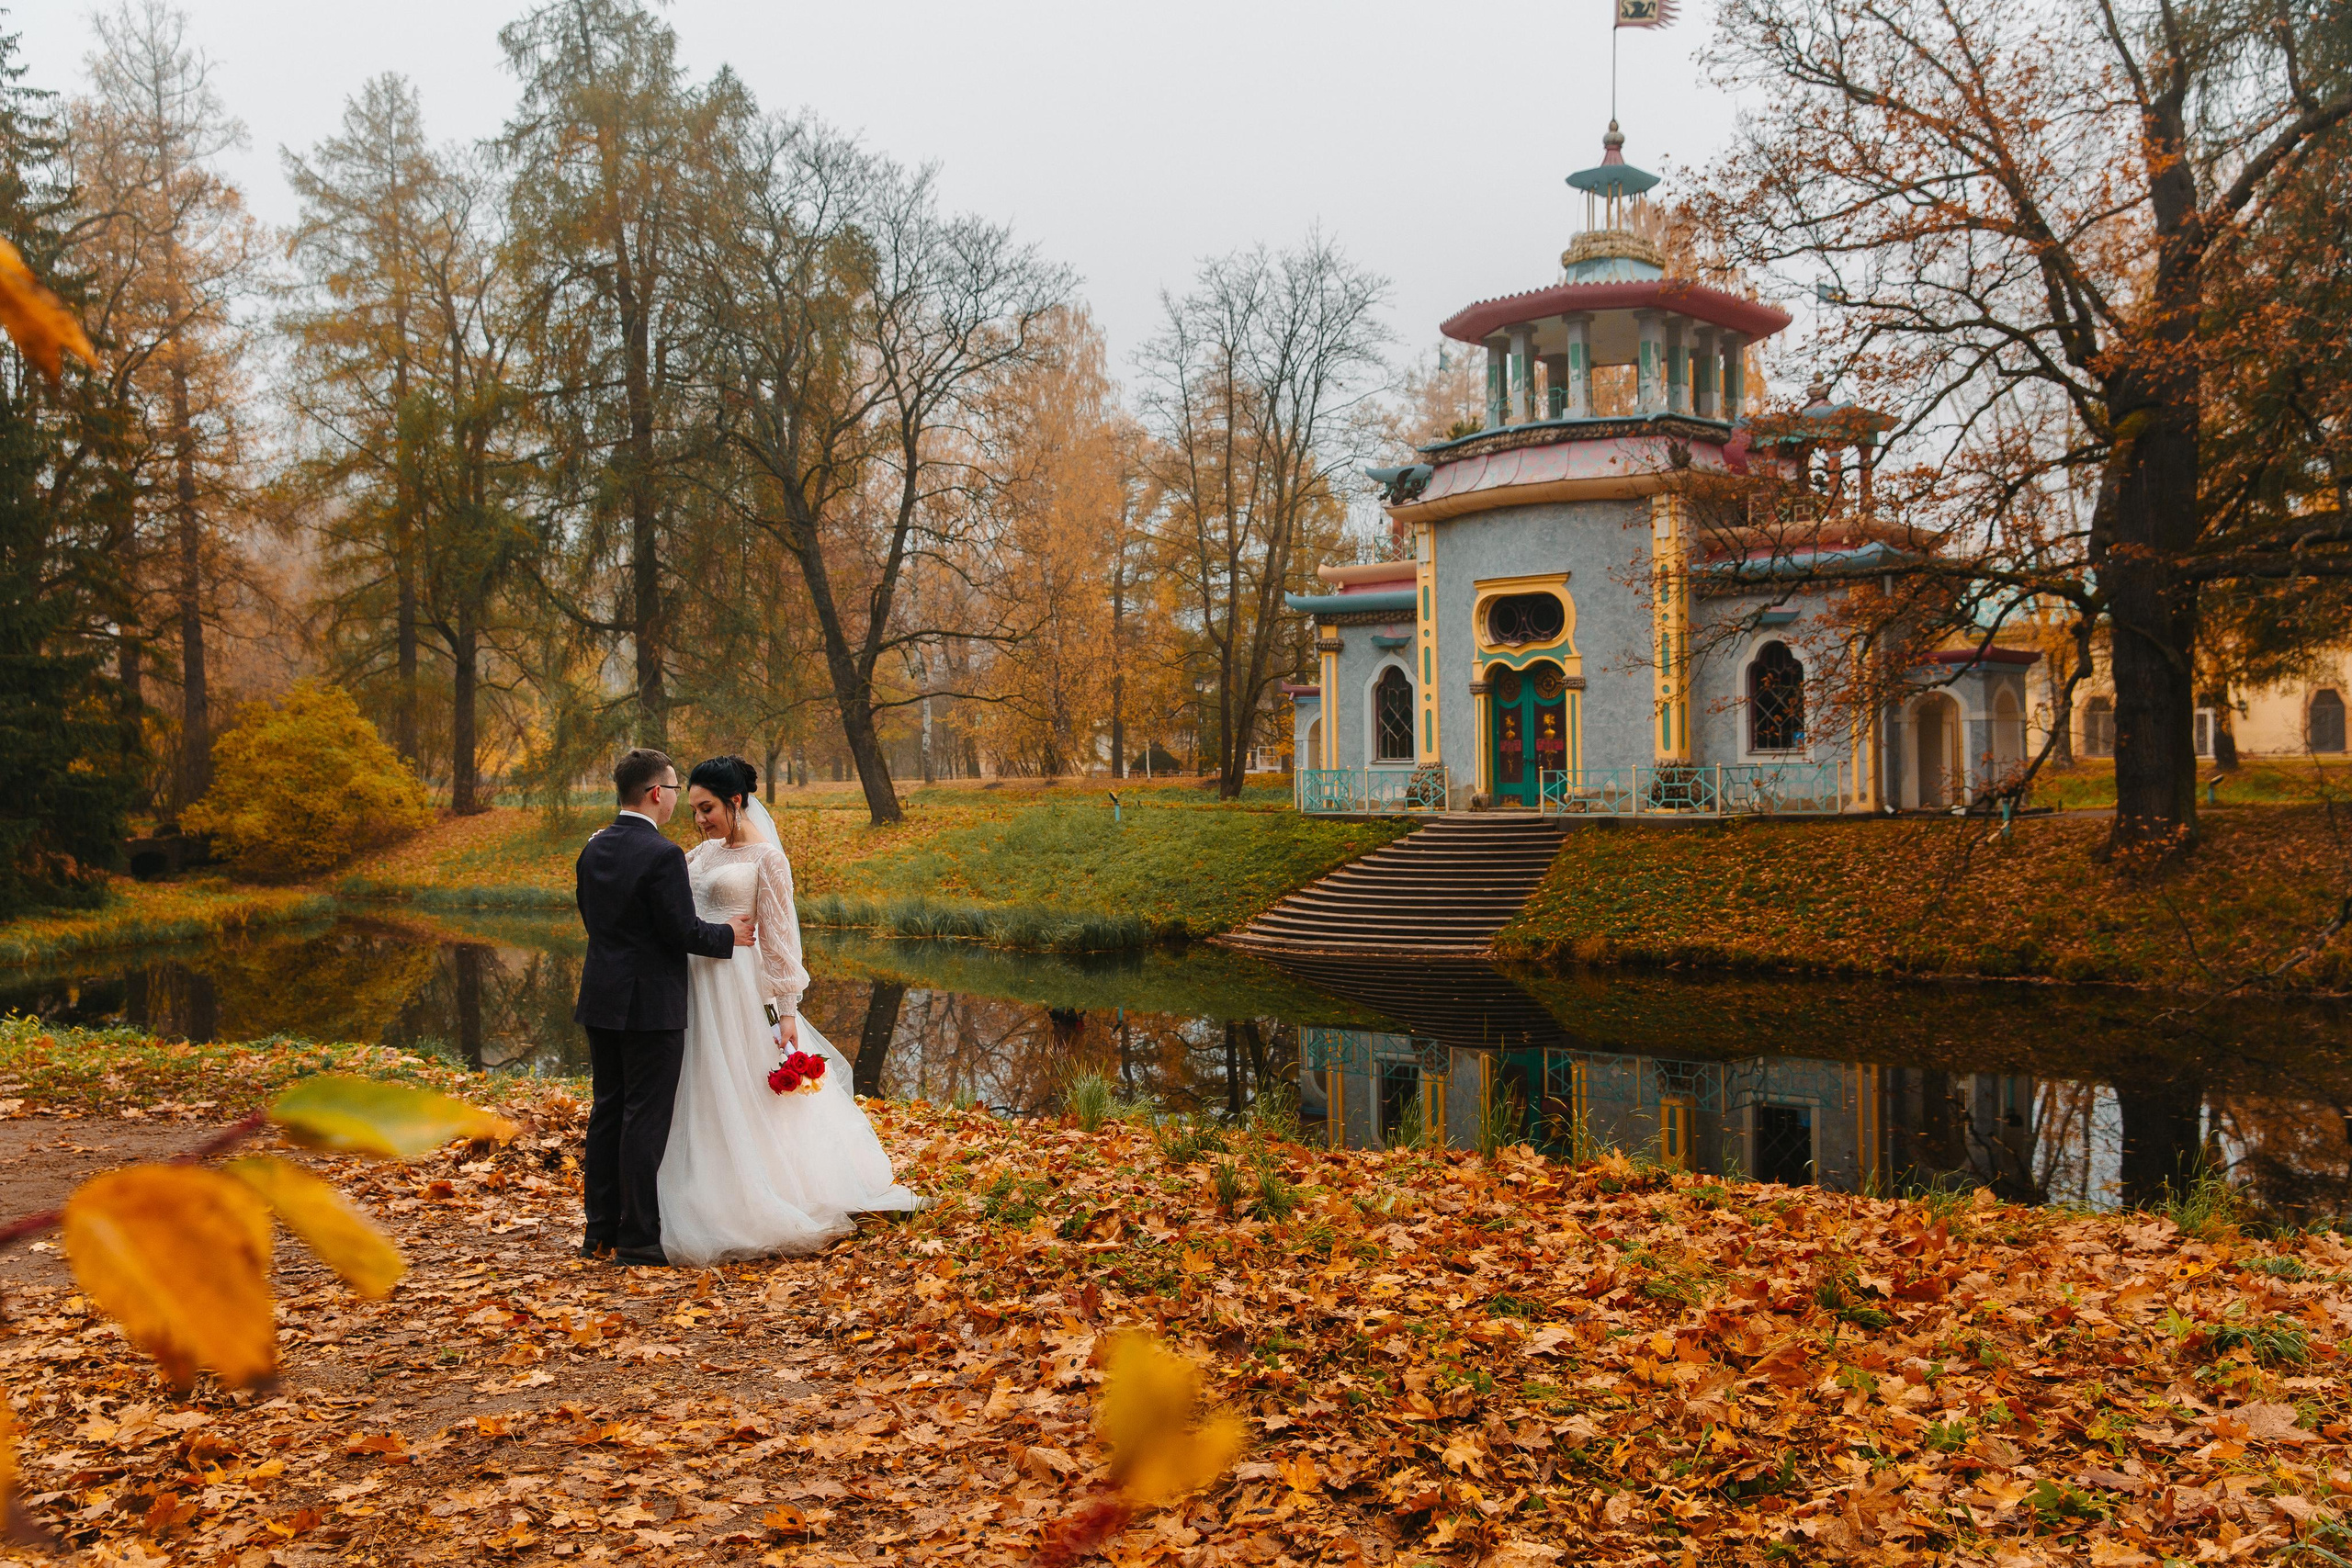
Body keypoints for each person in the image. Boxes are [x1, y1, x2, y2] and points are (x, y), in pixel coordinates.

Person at [657, 755, 919, 1265]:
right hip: (693, 981)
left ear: (735, 800)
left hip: (737, 986)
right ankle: (699, 1183)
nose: (700, 820)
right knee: (701, 1083)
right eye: (692, 810)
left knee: (742, 1081)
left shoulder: (768, 860)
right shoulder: (700, 855)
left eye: (707, 807)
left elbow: (779, 939)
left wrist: (788, 1010)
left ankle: (760, 1191)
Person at [573, 748, 756, 1268]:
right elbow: (681, 931)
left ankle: (599, 1231)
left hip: (601, 998)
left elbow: (594, 919)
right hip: (650, 1005)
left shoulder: (594, 847)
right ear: (657, 793)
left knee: (607, 1111)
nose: (677, 799)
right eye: (675, 790)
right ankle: (639, 1238)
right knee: (645, 1119)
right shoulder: (661, 855)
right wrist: (729, 934)